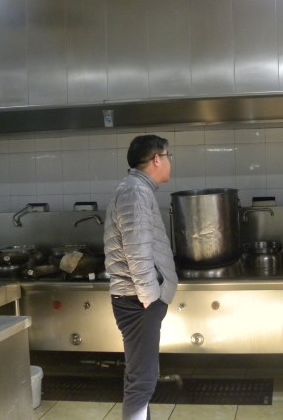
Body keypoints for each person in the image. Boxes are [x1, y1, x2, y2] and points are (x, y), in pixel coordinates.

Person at [104, 134, 178, 420]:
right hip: (137, 300)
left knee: (140, 377)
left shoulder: (137, 188)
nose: (170, 161)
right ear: (157, 159)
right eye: (169, 156)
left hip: (137, 298)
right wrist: (150, 297)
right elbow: (136, 249)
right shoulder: (134, 191)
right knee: (143, 381)